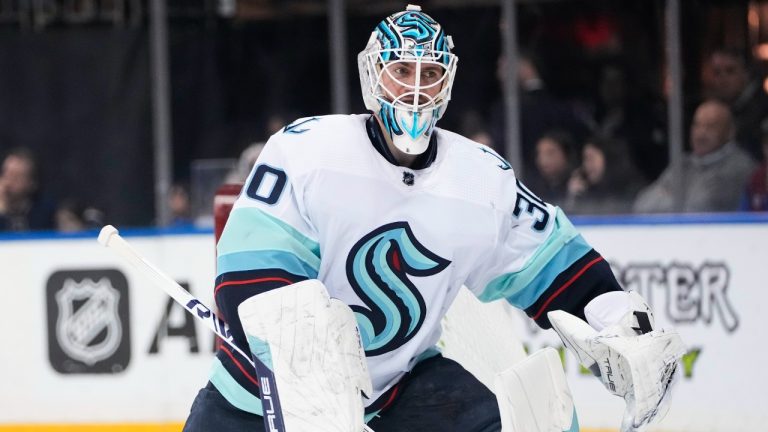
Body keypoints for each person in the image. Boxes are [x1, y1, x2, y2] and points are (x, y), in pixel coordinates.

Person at [184, 6, 683, 432]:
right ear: (372, 75)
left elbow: (554, 264)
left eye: (430, 74)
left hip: (398, 388)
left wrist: (616, 316)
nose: (415, 89)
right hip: (256, 397)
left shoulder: (481, 180)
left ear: (448, 80)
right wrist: (306, 374)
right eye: (401, 70)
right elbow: (247, 276)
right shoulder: (308, 153)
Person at [634, 99, 756, 213]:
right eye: (697, 125)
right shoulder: (684, 163)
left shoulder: (738, 167)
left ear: (730, 132)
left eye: (711, 126)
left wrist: (669, 194)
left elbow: (700, 207)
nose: (701, 133)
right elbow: (642, 205)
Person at [703, 48, 768, 162]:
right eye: (717, 73)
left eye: (730, 71)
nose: (723, 79)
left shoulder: (763, 109)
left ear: (746, 73)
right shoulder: (711, 109)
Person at [565, 135, 645, 215]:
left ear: (609, 158)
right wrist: (573, 198)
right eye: (585, 160)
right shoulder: (587, 192)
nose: (586, 166)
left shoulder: (633, 190)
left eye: (591, 158)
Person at [0, 147, 56, 232]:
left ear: (32, 183)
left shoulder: (46, 213)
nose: (8, 182)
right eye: (6, 174)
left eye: (16, 177)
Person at [525, 130, 576, 207]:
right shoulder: (531, 188)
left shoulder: (578, 183)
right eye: (540, 154)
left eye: (550, 153)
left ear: (566, 154)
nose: (543, 160)